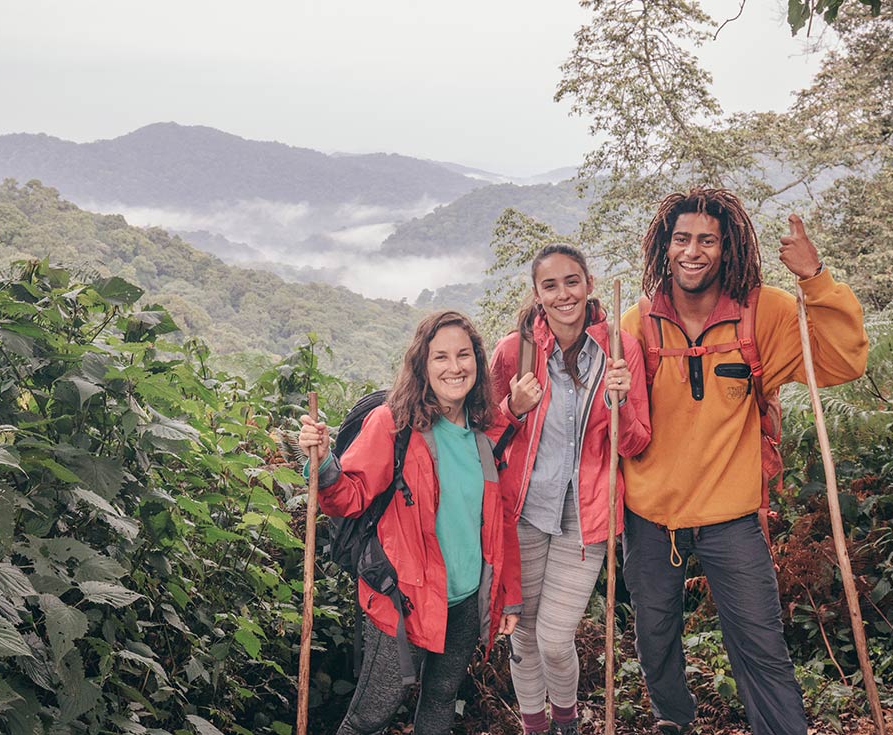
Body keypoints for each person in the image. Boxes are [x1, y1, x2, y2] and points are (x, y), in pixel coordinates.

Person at [619, 188, 869, 735]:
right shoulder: (636, 324)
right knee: (655, 640)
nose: (692, 251)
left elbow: (843, 361)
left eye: (707, 240)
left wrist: (815, 278)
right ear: (664, 246)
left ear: (727, 248)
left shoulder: (764, 314)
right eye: (681, 239)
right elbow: (614, 423)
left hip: (731, 517)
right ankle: (673, 721)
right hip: (649, 515)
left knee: (760, 644)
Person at [298, 310, 525, 735]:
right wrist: (323, 461)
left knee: (441, 699)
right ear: (422, 364)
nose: (454, 367)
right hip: (403, 597)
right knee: (371, 716)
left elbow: (501, 521)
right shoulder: (393, 423)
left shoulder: (485, 429)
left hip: (465, 599)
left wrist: (508, 596)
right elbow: (348, 497)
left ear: (478, 361)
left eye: (463, 355)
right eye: (441, 357)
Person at [488, 244, 652, 735]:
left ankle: (567, 722)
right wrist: (513, 408)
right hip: (523, 512)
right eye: (551, 285)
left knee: (556, 640)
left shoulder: (620, 350)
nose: (563, 294)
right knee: (523, 636)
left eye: (572, 281)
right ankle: (535, 726)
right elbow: (485, 438)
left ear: (589, 284)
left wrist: (621, 401)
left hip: (587, 518)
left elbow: (636, 443)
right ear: (537, 294)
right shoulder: (513, 352)